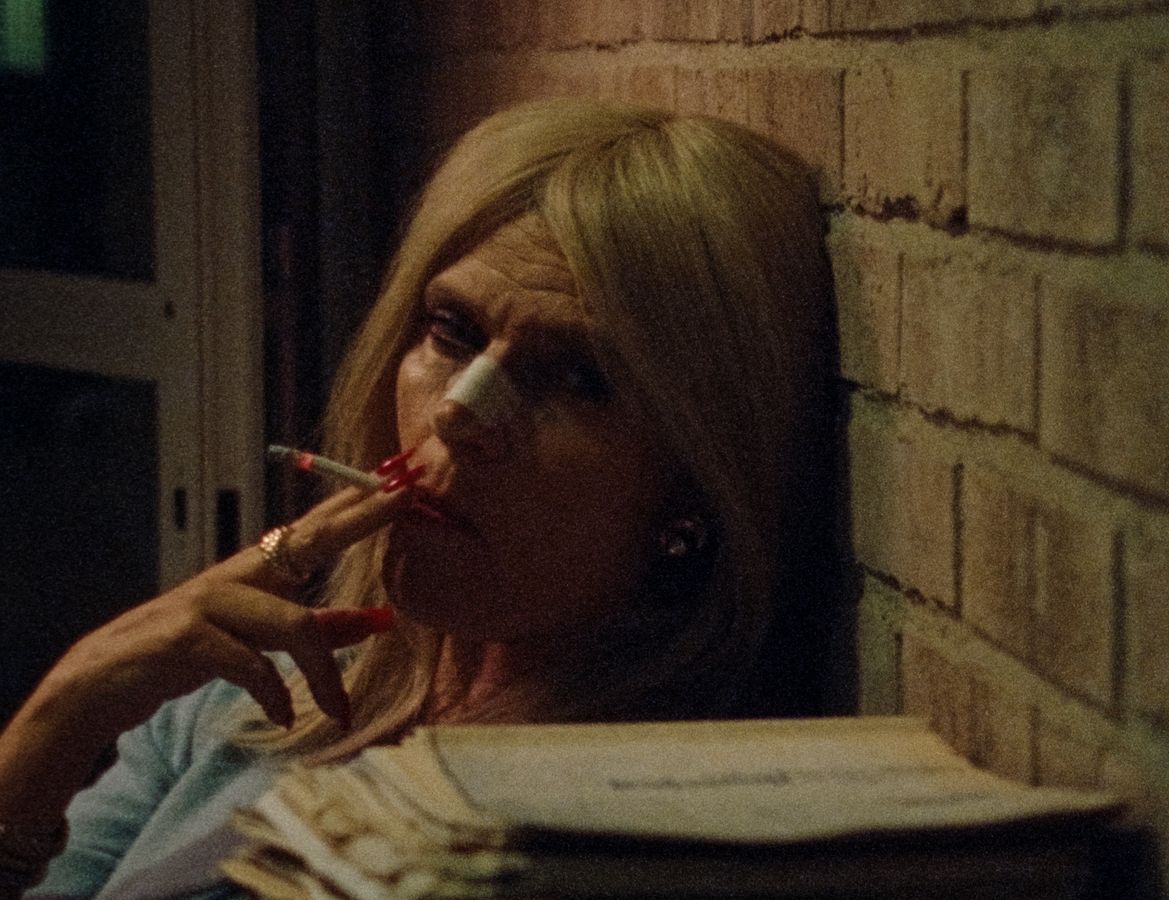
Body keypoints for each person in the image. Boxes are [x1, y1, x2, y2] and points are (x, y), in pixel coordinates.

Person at [0, 98, 841, 898]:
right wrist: (60, 718)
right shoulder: (241, 708)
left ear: (695, 488)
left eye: (580, 378)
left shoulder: (642, 838)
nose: (458, 411)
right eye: (452, 332)